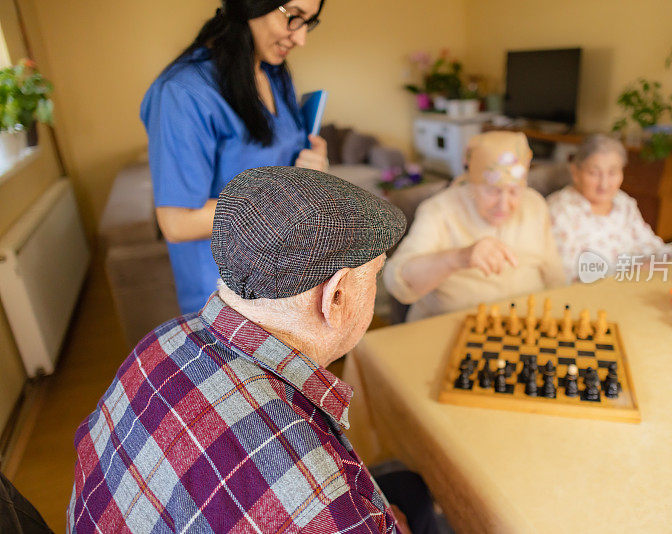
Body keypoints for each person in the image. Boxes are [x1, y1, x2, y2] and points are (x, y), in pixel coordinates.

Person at [67, 167, 427, 533]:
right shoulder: (318, 499)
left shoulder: (162, 338)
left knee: (406, 487)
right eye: (376, 274)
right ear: (335, 297)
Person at [141, 0, 329, 314]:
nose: (300, 39)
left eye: (307, 22)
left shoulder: (274, 74)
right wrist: (287, 201)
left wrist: (315, 164)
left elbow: (283, 161)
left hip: (287, 274)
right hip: (228, 295)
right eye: (293, 17)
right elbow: (177, 222)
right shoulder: (183, 92)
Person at [383, 131, 565, 322]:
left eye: (514, 191)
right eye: (493, 191)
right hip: (450, 327)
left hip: (523, 324)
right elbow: (398, 282)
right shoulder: (439, 210)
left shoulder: (534, 204)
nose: (504, 205)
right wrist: (460, 258)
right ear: (471, 184)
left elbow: (554, 274)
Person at [547, 133, 672, 282]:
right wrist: (628, 272)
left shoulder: (623, 203)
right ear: (575, 172)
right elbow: (566, 276)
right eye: (594, 173)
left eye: (613, 172)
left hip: (632, 289)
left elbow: (651, 249)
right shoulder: (560, 210)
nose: (604, 184)